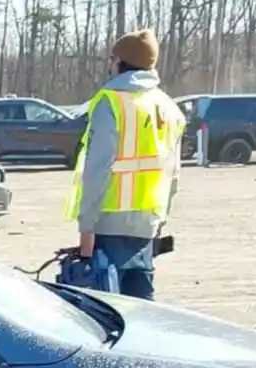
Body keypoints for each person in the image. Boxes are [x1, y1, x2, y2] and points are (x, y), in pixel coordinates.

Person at [66, 28, 184, 300]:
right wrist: (160, 221)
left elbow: (98, 169)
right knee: (142, 311)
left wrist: (87, 228)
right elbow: (173, 175)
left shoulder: (111, 101)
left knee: (105, 310)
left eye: (112, 58)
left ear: (121, 62)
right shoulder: (168, 107)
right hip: (147, 225)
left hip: (109, 224)